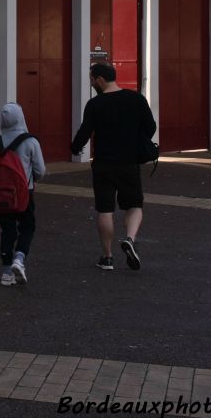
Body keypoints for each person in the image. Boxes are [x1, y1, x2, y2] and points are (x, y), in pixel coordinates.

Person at [70, 62, 156, 271]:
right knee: (134, 205)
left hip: (103, 164)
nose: (91, 83)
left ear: (100, 79)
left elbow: (84, 132)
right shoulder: (136, 99)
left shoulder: (95, 105)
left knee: (105, 209)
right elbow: (150, 127)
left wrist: (75, 148)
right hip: (129, 163)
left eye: (91, 79)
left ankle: (107, 257)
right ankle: (129, 238)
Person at [0, 102, 45, 286]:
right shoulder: (30, 141)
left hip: (2, 194)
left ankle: (6, 272)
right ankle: (20, 257)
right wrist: (32, 179)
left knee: (7, 230)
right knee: (27, 226)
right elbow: (40, 169)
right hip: (25, 192)